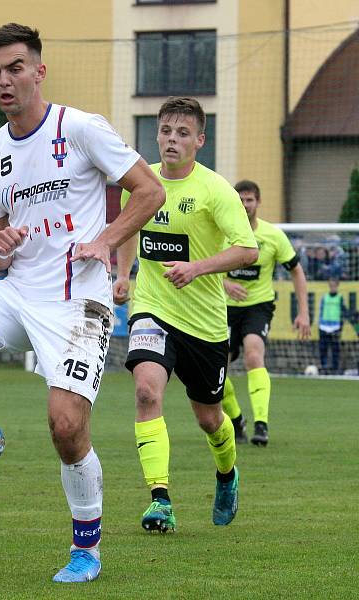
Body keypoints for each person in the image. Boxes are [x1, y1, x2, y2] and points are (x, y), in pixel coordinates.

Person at [0, 24, 164, 583]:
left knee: (66, 428)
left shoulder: (81, 128)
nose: (4, 80)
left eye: (15, 67)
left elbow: (149, 190)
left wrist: (106, 240)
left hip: (77, 303)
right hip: (16, 295)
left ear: (38, 71)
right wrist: (0, 249)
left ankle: (86, 550)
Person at [114, 97, 258, 535]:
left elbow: (247, 248)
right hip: (153, 310)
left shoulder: (216, 190)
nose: (171, 140)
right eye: (165, 131)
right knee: (145, 392)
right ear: (156, 134)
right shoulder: (140, 183)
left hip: (205, 324)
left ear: (200, 140)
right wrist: (123, 275)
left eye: (182, 133)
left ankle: (227, 473)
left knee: (209, 419)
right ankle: (160, 500)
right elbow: (127, 227)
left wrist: (197, 268)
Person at [220, 180, 311, 447]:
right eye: (241, 199)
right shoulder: (222, 233)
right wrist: (225, 283)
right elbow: (202, 265)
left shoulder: (273, 235)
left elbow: (296, 270)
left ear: (258, 203)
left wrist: (303, 312)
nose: (245, 205)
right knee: (217, 369)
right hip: (222, 308)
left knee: (253, 353)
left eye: (250, 200)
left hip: (258, 307)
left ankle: (261, 424)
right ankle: (236, 420)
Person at [318, 278, 348, 374]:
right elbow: (321, 311)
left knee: (335, 349)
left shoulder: (340, 297)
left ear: (337, 286)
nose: (332, 287)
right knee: (323, 348)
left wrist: (341, 326)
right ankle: (324, 367)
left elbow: (343, 312)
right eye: (331, 285)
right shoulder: (325, 297)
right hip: (324, 326)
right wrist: (319, 324)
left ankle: (335, 368)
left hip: (335, 327)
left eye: (334, 285)